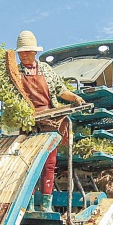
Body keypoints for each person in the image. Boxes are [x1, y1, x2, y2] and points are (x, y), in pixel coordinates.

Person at [14, 30, 85, 212]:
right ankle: (28, 205)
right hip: (27, 121)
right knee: (27, 163)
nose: (23, 55)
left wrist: (75, 97)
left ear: (34, 52)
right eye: (21, 52)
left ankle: (46, 204)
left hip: (48, 119)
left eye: (26, 52)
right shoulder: (15, 72)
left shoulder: (46, 70)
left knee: (49, 162)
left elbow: (61, 90)